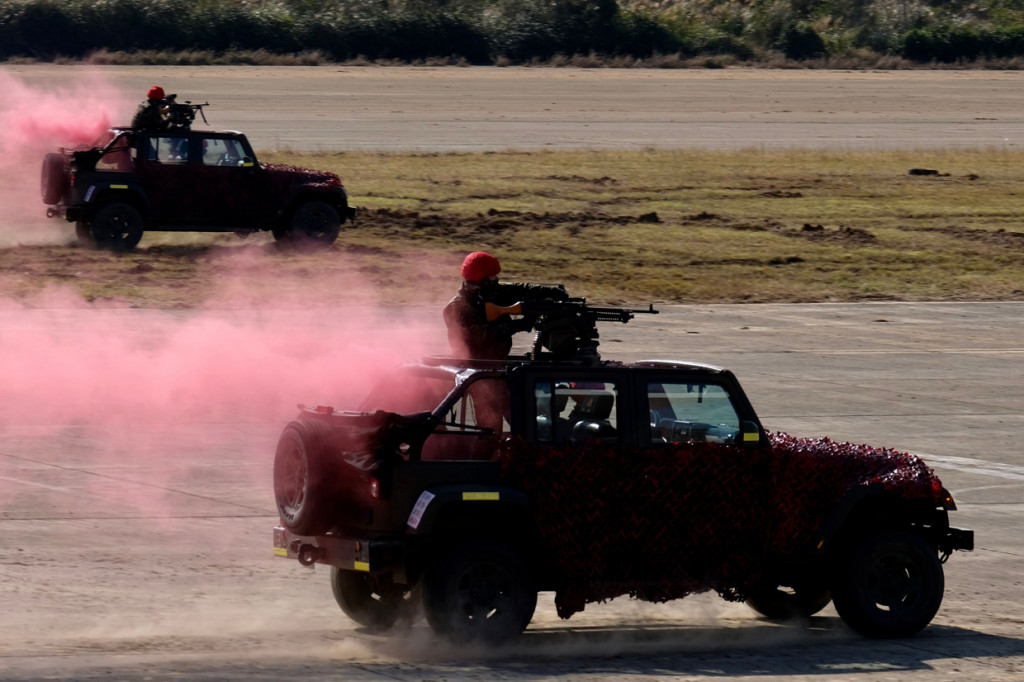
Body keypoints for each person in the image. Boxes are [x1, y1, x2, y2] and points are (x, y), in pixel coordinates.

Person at [444, 251, 568, 360]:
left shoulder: (491, 293)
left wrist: (550, 292)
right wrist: (518, 325)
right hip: (473, 369)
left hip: (495, 363)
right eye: (492, 276)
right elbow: (480, 336)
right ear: (481, 280)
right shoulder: (457, 307)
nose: (496, 278)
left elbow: (521, 290)